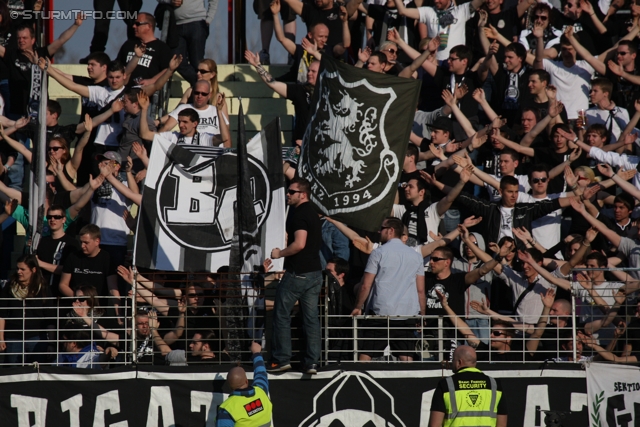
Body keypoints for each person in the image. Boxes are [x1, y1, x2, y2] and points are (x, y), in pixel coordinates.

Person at [350, 217, 425, 361]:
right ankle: (409, 383)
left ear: (391, 231)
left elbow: (366, 285)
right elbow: (420, 290)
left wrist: (358, 306)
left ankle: (357, 382)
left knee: (366, 354)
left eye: (382, 228)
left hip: (381, 312)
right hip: (407, 313)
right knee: (406, 357)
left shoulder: (378, 253)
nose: (379, 231)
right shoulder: (416, 256)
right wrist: (422, 315)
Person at [268, 177, 322, 374]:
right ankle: (312, 363)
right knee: (311, 319)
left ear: (303, 194)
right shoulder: (312, 213)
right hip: (315, 273)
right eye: (288, 191)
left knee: (281, 314)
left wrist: (279, 253)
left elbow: (300, 244)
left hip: (299, 273)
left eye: (292, 192)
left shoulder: (300, 214)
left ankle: (282, 359)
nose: (287, 194)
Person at [429, 345, 507, 426]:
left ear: (459, 362)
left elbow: (435, 424)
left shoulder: (446, 384)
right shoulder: (494, 384)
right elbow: (502, 424)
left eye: (453, 360)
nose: (452, 363)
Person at [0, 254, 54, 365]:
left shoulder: (43, 288)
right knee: (14, 372)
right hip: (13, 337)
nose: (19, 272)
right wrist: (1, 338)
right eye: (17, 268)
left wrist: (51, 343)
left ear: (33, 270)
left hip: (37, 337)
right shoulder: (9, 287)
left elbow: (50, 317)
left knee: (36, 372)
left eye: (23, 269)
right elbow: (2, 314)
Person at [216, 342, 272, 427]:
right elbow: (261, 373)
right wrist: (256, 353)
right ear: (246, 381)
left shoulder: (227, 409)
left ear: (229, 386)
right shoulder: (261, 391)